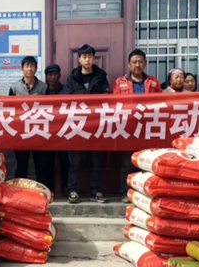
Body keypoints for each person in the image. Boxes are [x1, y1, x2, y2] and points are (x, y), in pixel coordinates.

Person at [113, 49, 162, 202]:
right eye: (134, 62)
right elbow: (115, 103)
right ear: (129, 64)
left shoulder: (153, 82)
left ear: (145, 63)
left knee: (146, 162)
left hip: (149, 127)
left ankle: (145, 193)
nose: (137, 65)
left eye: (140, 61)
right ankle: (125, 193)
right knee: (127, 162)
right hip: (128, 127)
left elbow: (162, 102)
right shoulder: (120, 82)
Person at [65, 44, 110, 204]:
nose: (87, 59)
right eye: (84, 56)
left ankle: (95, 191)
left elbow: (107, 99)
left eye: (90, 56)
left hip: (96, 125)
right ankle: (73, 190)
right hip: (76, 125)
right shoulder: (72, 79)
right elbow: (66, 101)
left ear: (94, 58)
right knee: (74, 161)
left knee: (94, 160)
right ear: (79, 59)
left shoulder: (101, 77)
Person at [8, 56, 48, 182]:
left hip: (39, 129)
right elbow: (10, 110)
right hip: (21, 131)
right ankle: (19, 189)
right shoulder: (15, 87)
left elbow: (49, 109)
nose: (29, 69)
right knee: (21, 163)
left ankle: (41, 190)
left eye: (32, 66)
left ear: (36, 68)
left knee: (41, 164)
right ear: (22, 69)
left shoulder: (44, 87)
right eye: (27, 66)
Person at [43, 63, 69, 196]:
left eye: (55, 74)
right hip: (47, 132)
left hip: (64, 131)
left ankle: (66, 187)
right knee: (48, 162)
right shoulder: (43, 91)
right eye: (50, 74)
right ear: (46, 77)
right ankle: (49, 189)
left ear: (59, 75)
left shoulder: (67, 90)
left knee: (66, 161)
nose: (53, 77)